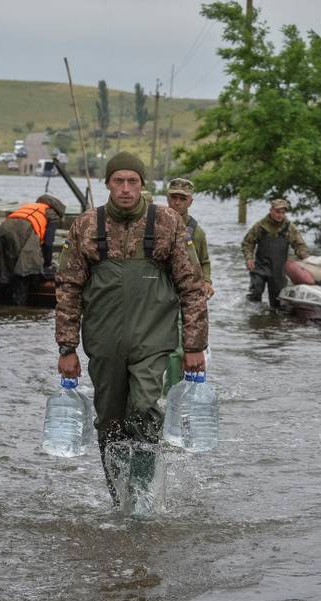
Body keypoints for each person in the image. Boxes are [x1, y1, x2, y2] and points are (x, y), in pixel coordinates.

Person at [55, 151, 208, 511]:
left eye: (133, 181)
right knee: (109, 421)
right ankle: (117, 497)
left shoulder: (168, 222)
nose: (126, 189)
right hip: (103, 343)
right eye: (118, 181)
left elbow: (192, 287)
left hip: (153, 340)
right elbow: (67, 287)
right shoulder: (87, 225)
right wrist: (66, 348)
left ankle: (140, 498)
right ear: (108, 184)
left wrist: (194, 346)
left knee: (143, 410)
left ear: (143, 185)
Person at [162, 177, 213, 394]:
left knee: (179, 349)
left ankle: (172, 393)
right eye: (174, 197)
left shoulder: (196, 232)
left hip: (184, 296)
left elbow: (204, 262)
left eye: (182, 198)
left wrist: (207, 282)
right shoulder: (154, 223)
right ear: (167, 198)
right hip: (158, 293)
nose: (177, 202)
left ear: (190, 202)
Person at [0, 194, 66, 304]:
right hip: (22, 232)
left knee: (3, 272)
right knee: (25, 272)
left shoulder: (30, 207)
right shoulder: (52, 214)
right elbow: (48, 243)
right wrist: (47, 265)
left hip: (1, 231)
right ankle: (19, 309)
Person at [241, 198, 309, 307]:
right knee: (255, 293)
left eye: (283, 212)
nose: (280, 215)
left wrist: (304, 255)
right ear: (271, 210)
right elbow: (247, 243)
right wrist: (249, 258)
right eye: (277, 212)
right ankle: (252, 319)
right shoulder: (260, 226)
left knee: (277, 302)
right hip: (260, 267)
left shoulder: (289, 227)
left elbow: (299, 244)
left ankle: (273, 322)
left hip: (278, 269)